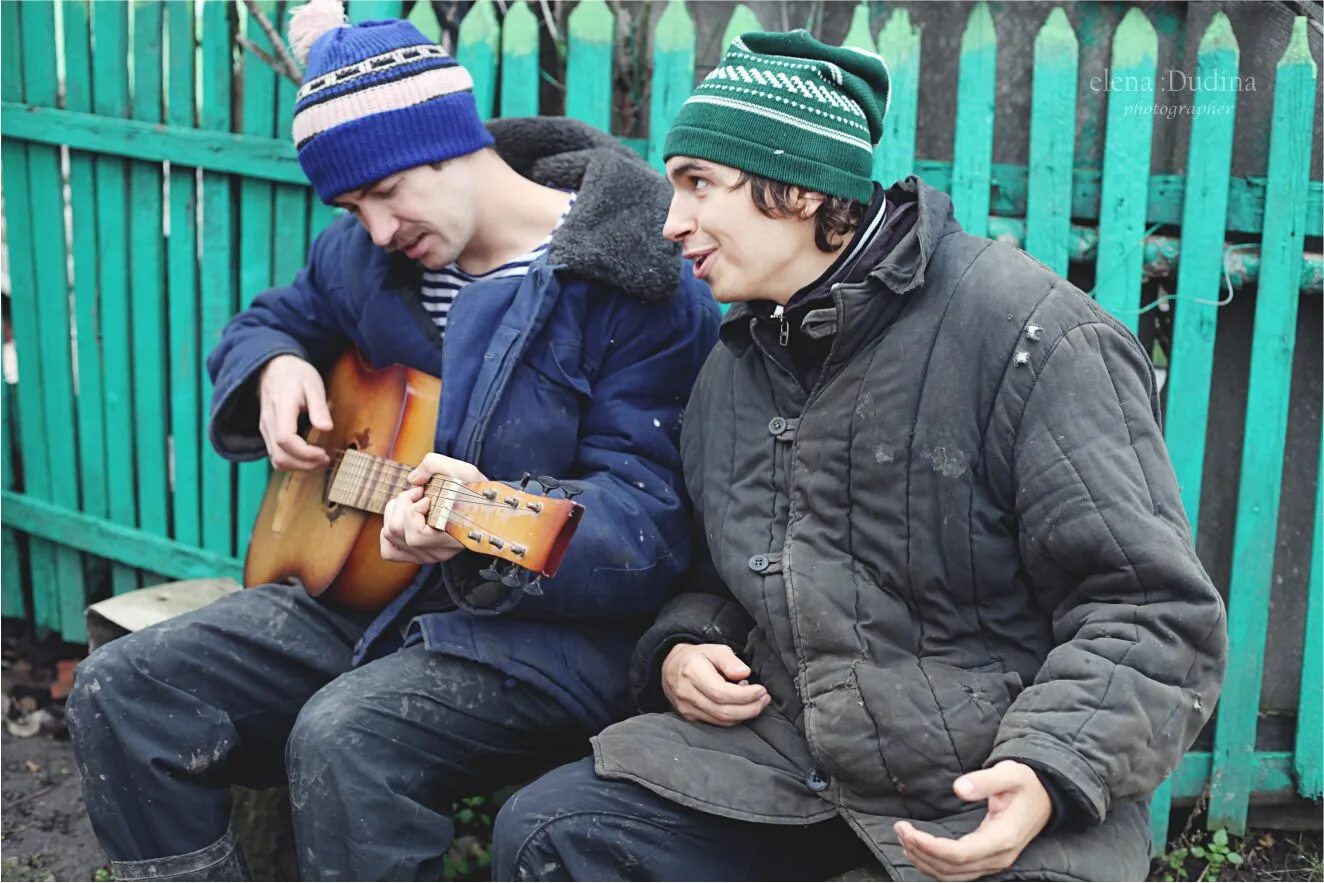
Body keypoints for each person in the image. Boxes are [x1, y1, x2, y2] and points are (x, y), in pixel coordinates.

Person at [493, 30, 1228, 882]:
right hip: (786, 766)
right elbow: (717, 574)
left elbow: (1152, 611)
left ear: (799, 188)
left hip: (986, 783)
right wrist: (683, 647)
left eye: (699, 183)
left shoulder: (1032, 336)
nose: (670, 221)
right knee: (553, 831)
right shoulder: (734, 368)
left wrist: (1045, 768)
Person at [64, 2, 719, 879]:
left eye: (383, 191)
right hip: (369, 600)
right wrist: (273, 365)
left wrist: (481, 523)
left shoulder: (636, 284)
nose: (374, 228)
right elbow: (268, 319)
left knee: (344, 737)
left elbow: (647, 521)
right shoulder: (369, 257)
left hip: (542, 636)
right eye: (350, 204)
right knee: (123, 688)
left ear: (453, 142)